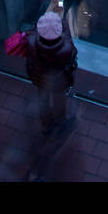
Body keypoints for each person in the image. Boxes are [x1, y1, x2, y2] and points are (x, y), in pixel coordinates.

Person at [25, 8, 77, 136]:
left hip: (39, 77)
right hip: (58, 80)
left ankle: (46, 126)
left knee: (42, 100)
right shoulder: (65, 48)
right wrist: (63, 25)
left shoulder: (31, 42)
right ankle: (60, 124)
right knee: (59, 101)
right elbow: (73, 52)